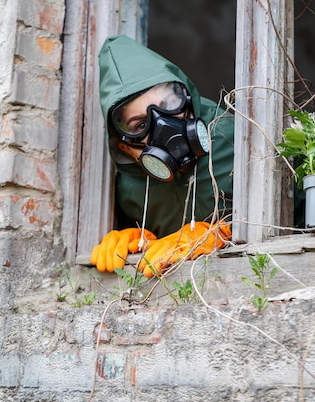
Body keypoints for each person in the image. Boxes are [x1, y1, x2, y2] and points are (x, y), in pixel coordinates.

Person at [90, 35, 234, 276]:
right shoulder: (130, 189)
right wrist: (140, 238)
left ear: (186, 98)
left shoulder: (234, 140)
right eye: (139, 125)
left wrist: (225, 232)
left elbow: (295, 212)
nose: (163, 125)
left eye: (168, 104)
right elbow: (157, 249)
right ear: (126, 148)